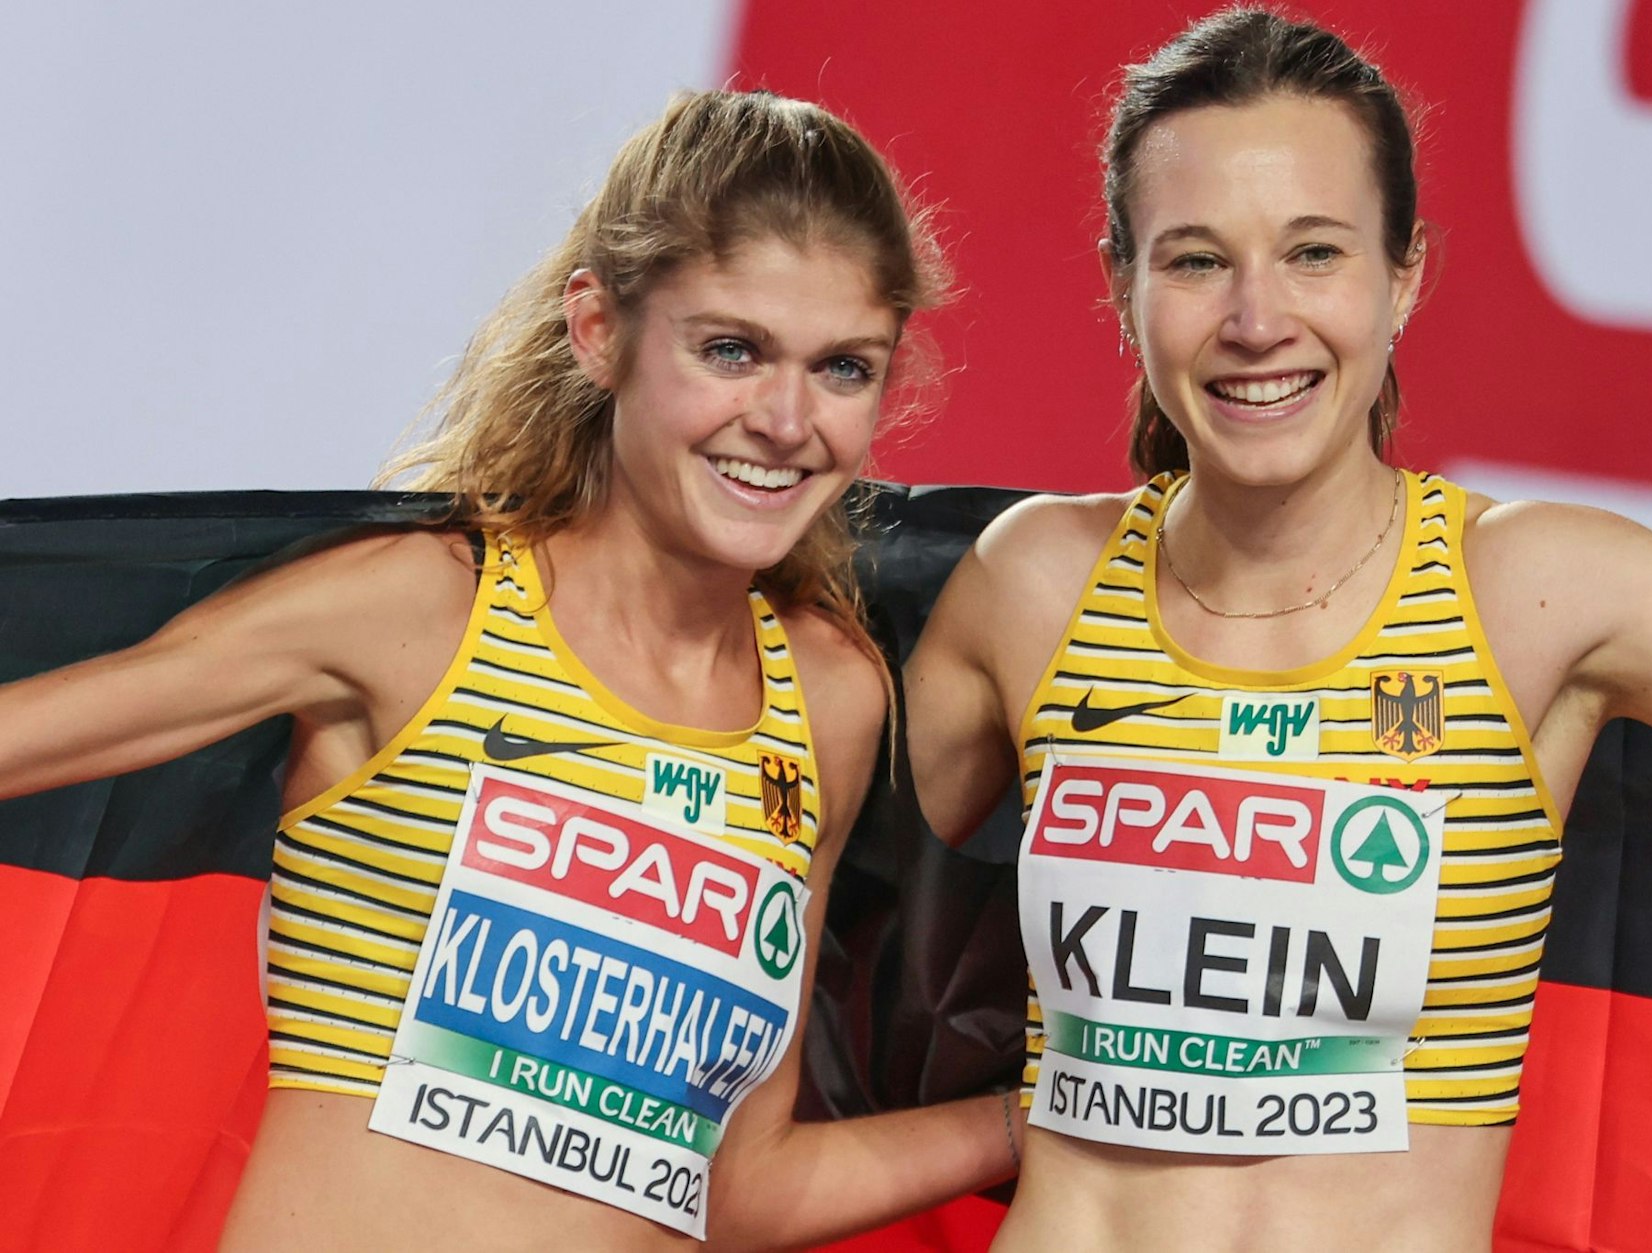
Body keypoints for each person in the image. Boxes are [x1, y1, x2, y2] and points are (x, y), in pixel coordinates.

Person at [904, 8, 1652, 1251]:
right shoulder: (1031, 582)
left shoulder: (1531, 593)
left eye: (1313, 253)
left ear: (1403, 270)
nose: (1257, 319)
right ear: (1119, 283)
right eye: (1197, 260)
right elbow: (805, 866)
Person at [0, 89, 1017, 1251]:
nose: (786, 420)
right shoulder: (419, 606)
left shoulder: (829, 699)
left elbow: (738, 1188)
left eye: (843, 367)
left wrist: (1049, 1113)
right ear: (598, 328)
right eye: (729, 349)